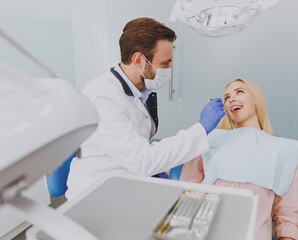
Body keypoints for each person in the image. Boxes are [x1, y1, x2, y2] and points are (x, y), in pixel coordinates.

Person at [66, 17, 225, 199]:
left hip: (124, 186)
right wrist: (201, 129)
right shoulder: (102, 96)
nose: (169, 68)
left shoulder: (141, 92)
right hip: (94, 196)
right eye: (165, 63)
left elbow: (138, 146)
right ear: (139, 59)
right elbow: (143, 160)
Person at [180, 78, 298, 240]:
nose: (231, 99)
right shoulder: (207, 142)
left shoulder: (282, 151)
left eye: (239, 92)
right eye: (227, 97)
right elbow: (185, 194)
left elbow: (287, 215)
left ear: (256, 99)